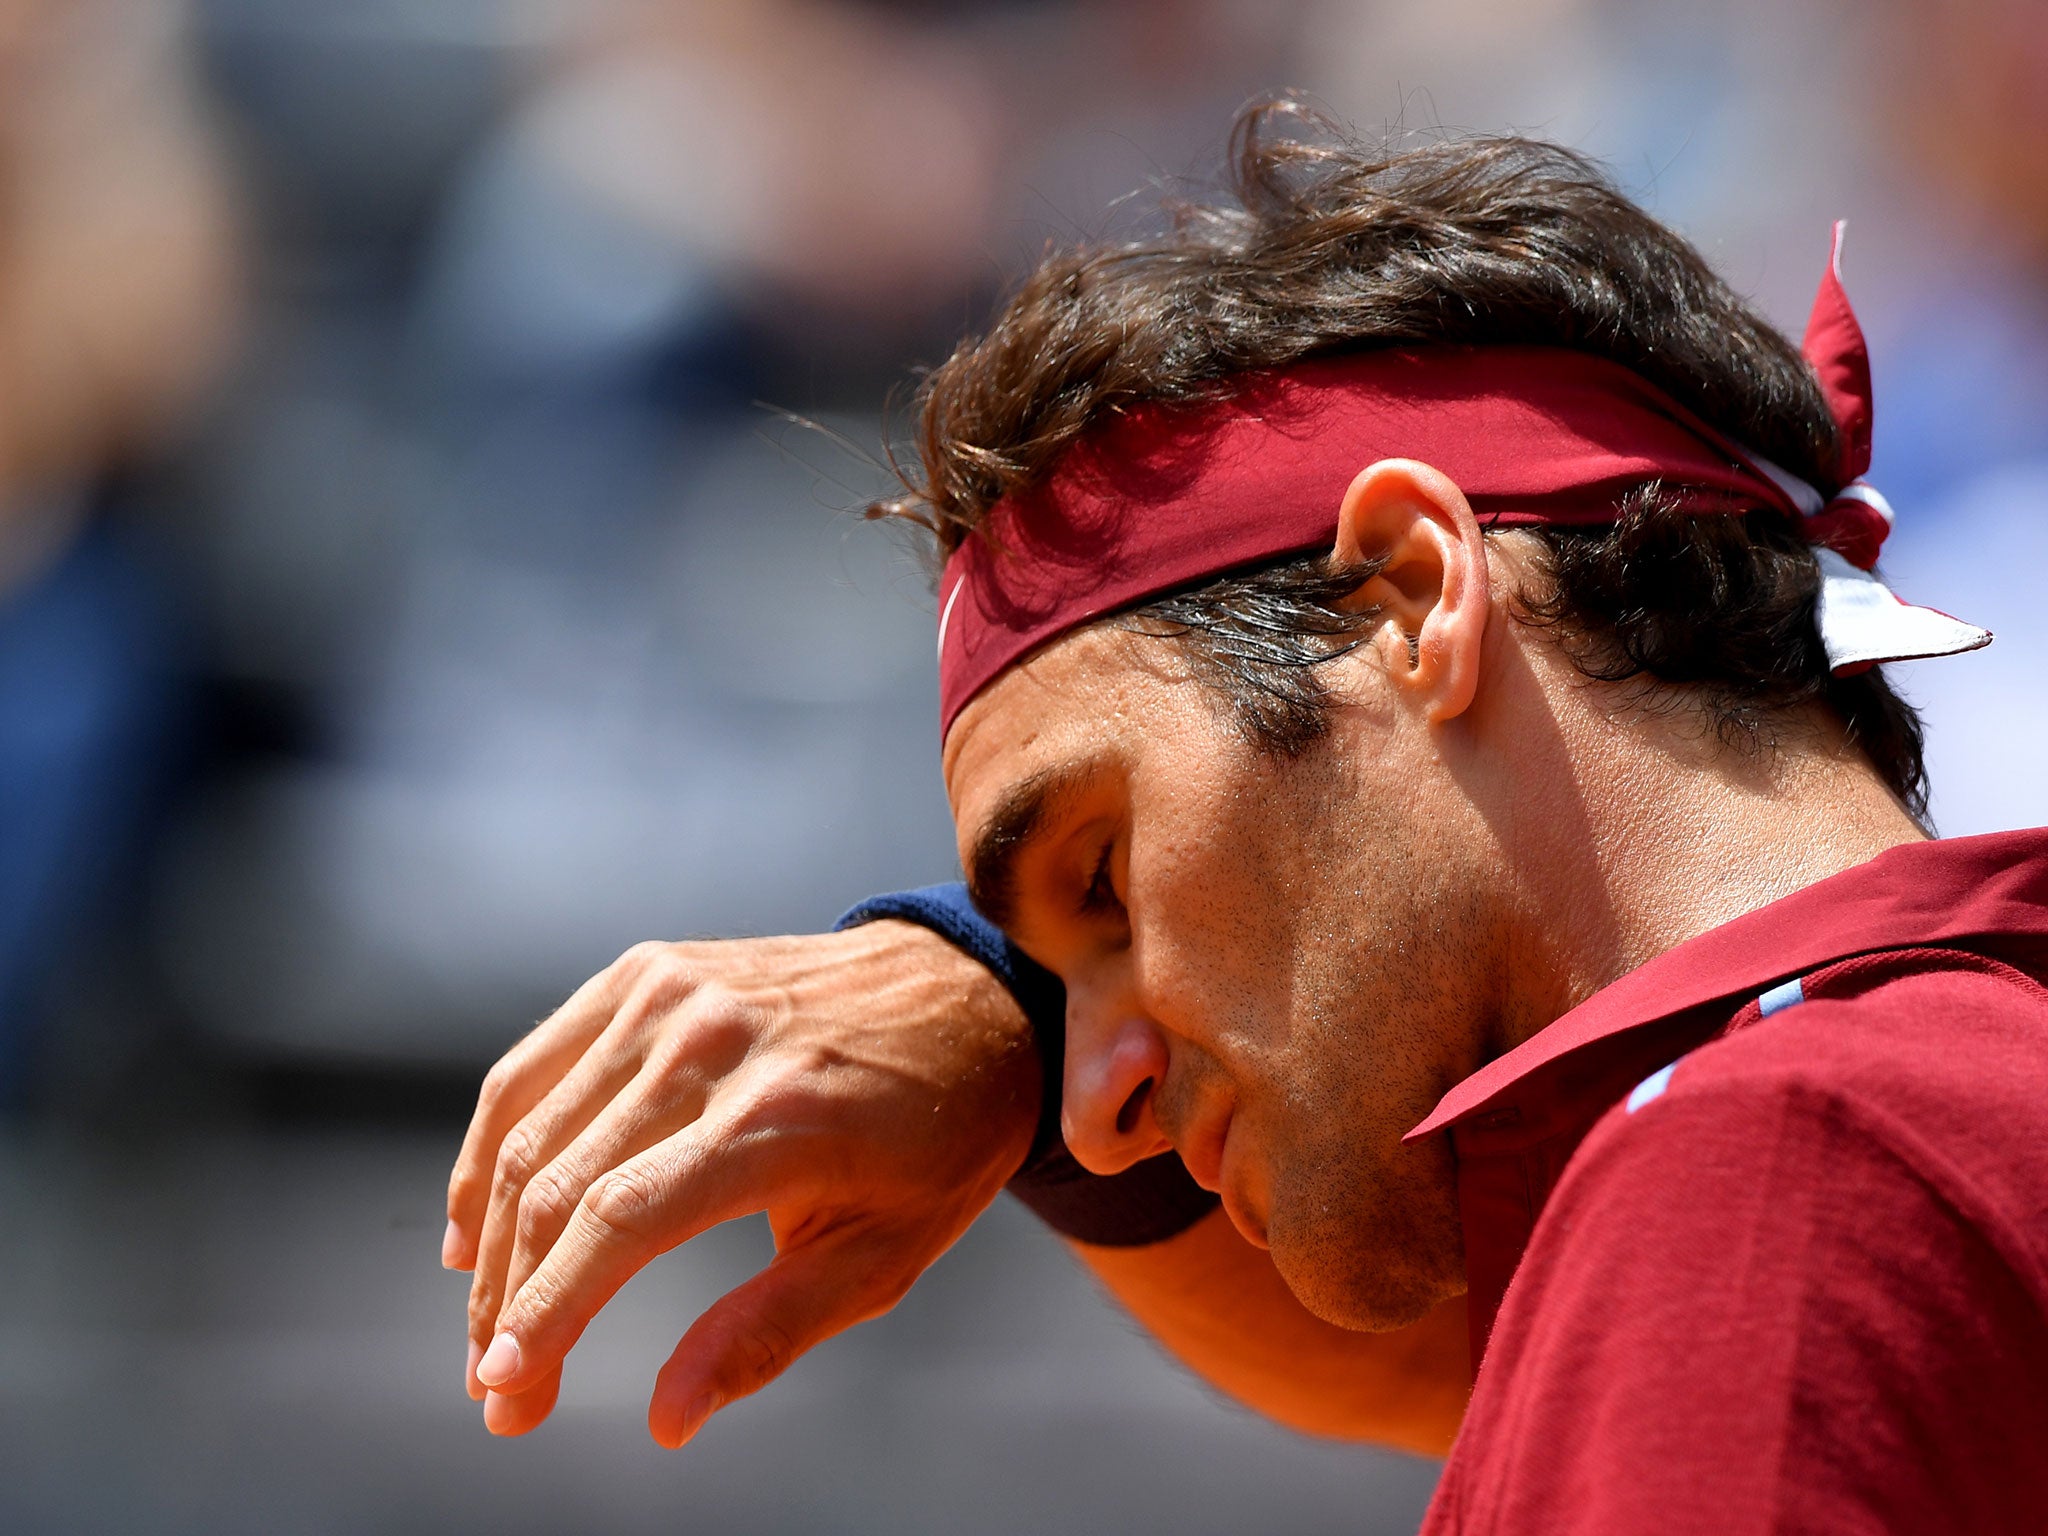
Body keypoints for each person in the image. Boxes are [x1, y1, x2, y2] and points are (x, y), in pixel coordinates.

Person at [441, 103, 2048, 1530]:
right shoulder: (1896, 1110)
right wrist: (1007, 992)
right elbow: (1433, 1351)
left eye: (1105, 873)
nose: (1095, 1112)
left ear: (1417, 595)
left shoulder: (1771, 1162)